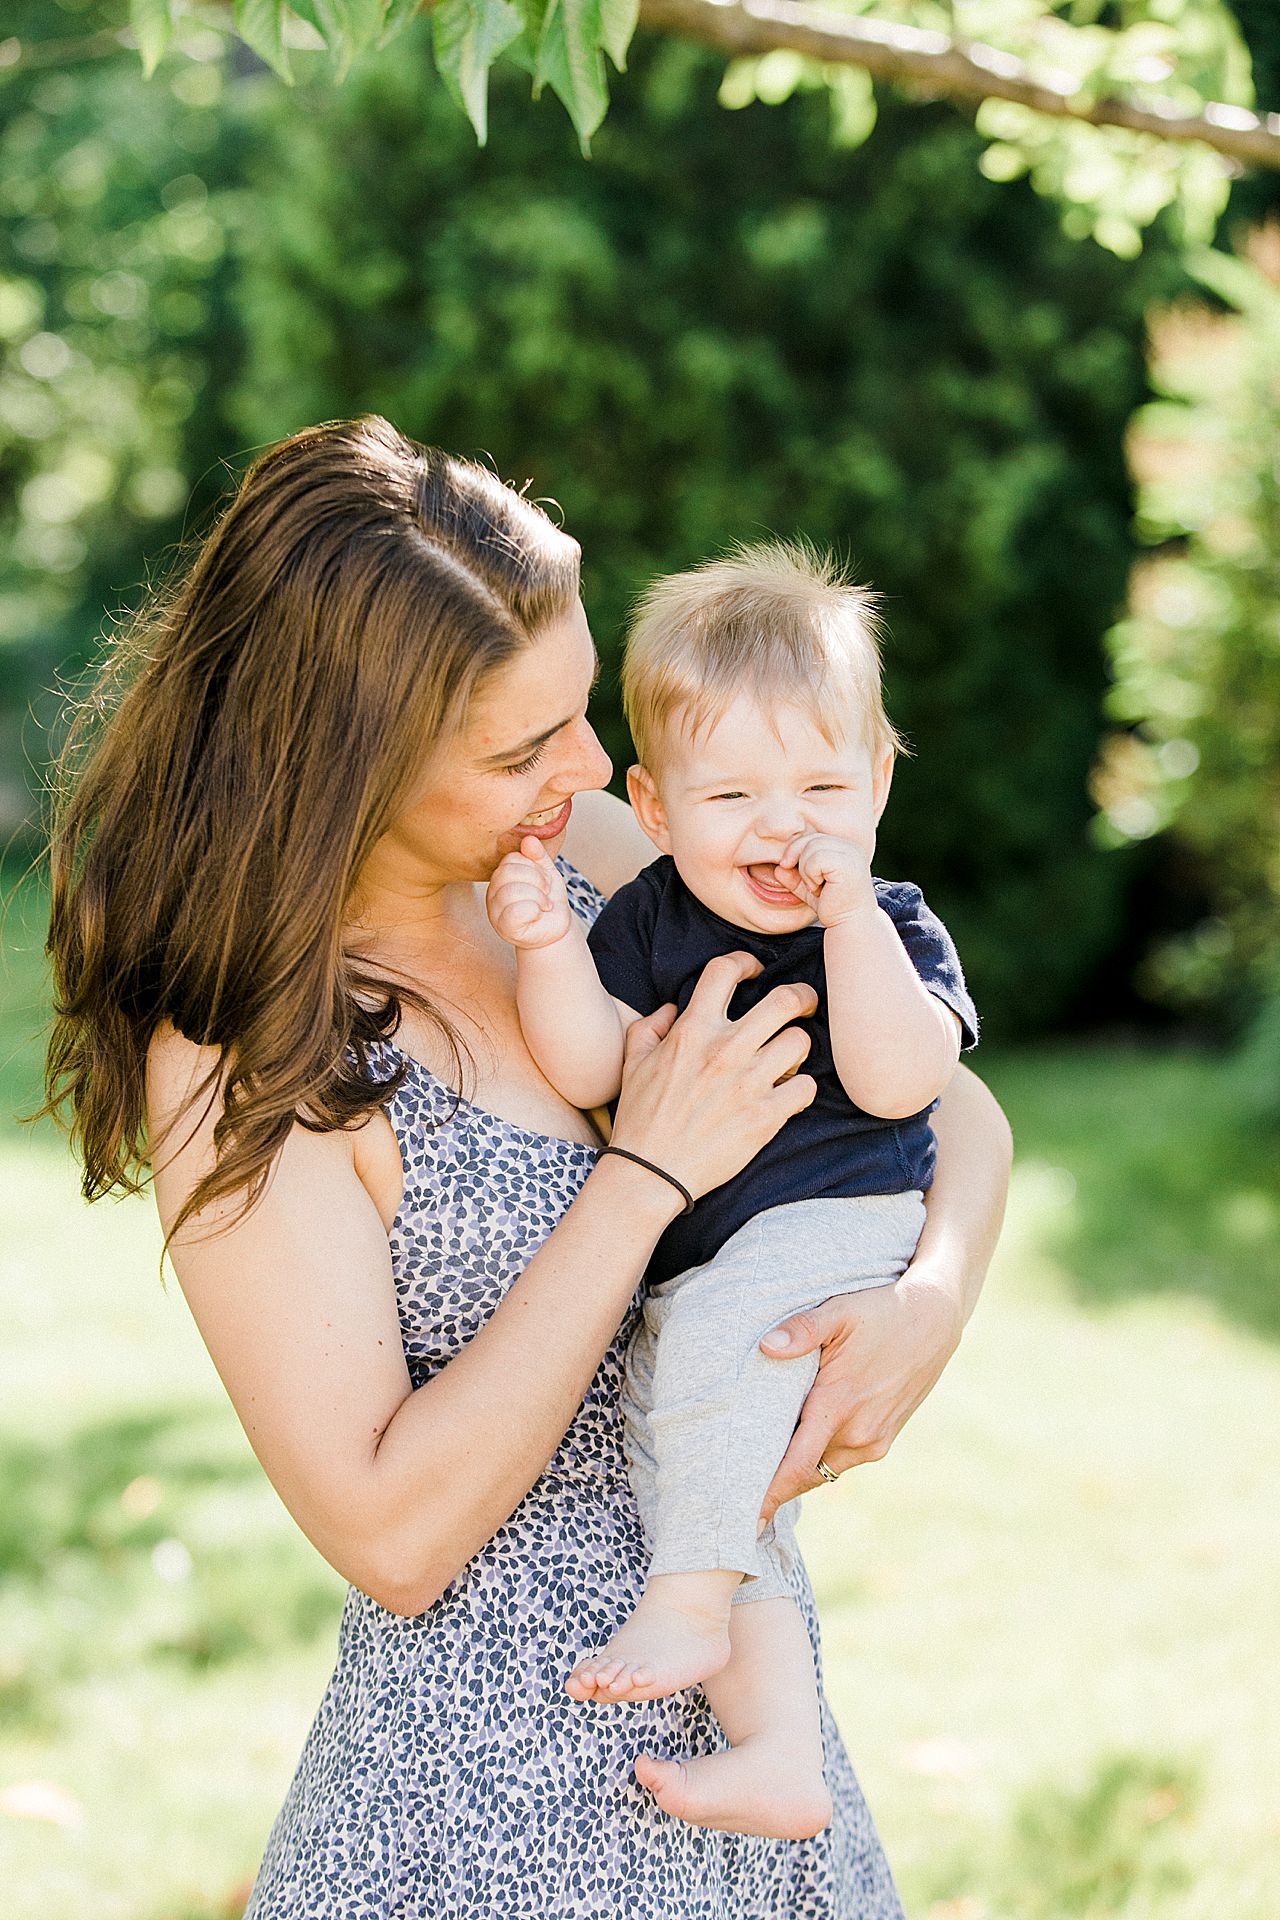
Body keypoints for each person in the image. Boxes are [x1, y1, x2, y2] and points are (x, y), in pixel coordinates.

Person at [41, 415, 1011, 1919]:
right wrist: (643, 1177)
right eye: (519, 746)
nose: (586, 762)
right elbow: (392, 1534)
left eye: (574, 712)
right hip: (498, 1803)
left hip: (758, 1750)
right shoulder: (250, 1050)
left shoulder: (609, 855)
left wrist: (934, 1296)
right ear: (347, 763)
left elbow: (952, 1108)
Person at [485, 540, 979, 1842]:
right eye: (736, 795)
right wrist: (544, 951)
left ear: (877, 781)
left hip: (837, 1225)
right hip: (715, 1254)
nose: (785, 827)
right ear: (655, 810)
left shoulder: (891, 919)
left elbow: (897, 1077)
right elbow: (592, 1065)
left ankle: (691, 1611)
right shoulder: (647, 920)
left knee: (709, 1361)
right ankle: (776, 1748)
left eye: (824, 784)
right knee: (681, 1427)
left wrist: (852, 924)